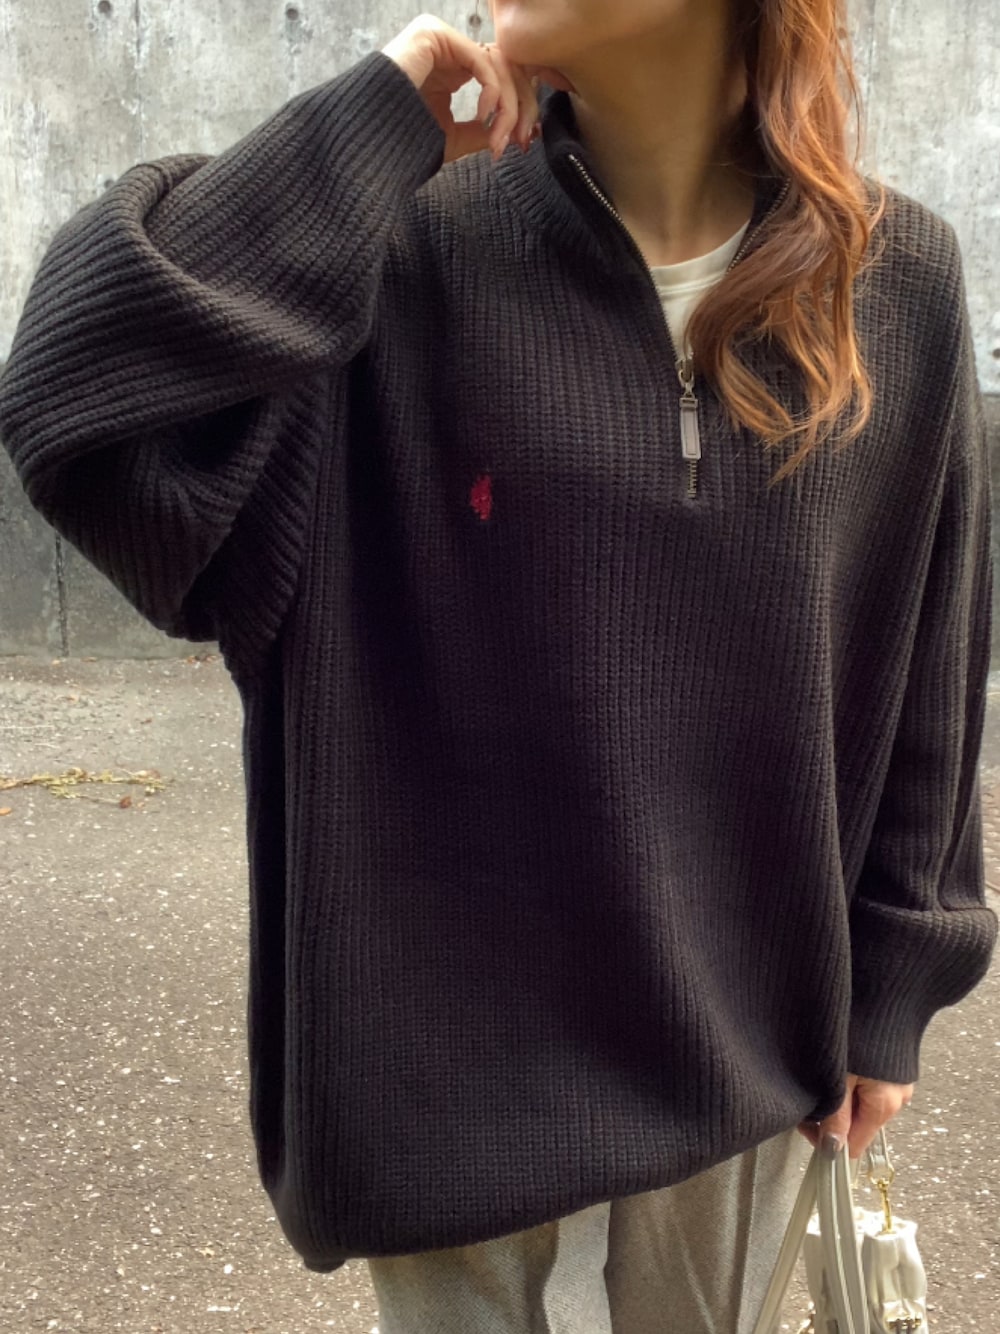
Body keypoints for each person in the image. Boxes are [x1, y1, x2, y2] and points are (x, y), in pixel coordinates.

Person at [0, 0, 995, 1329]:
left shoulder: (893, 279)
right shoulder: (386, 258)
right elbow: (73, 392)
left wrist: (895, 989)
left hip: (745, 1081)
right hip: (448, 1110)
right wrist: (376, 119)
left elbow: (930, 655)